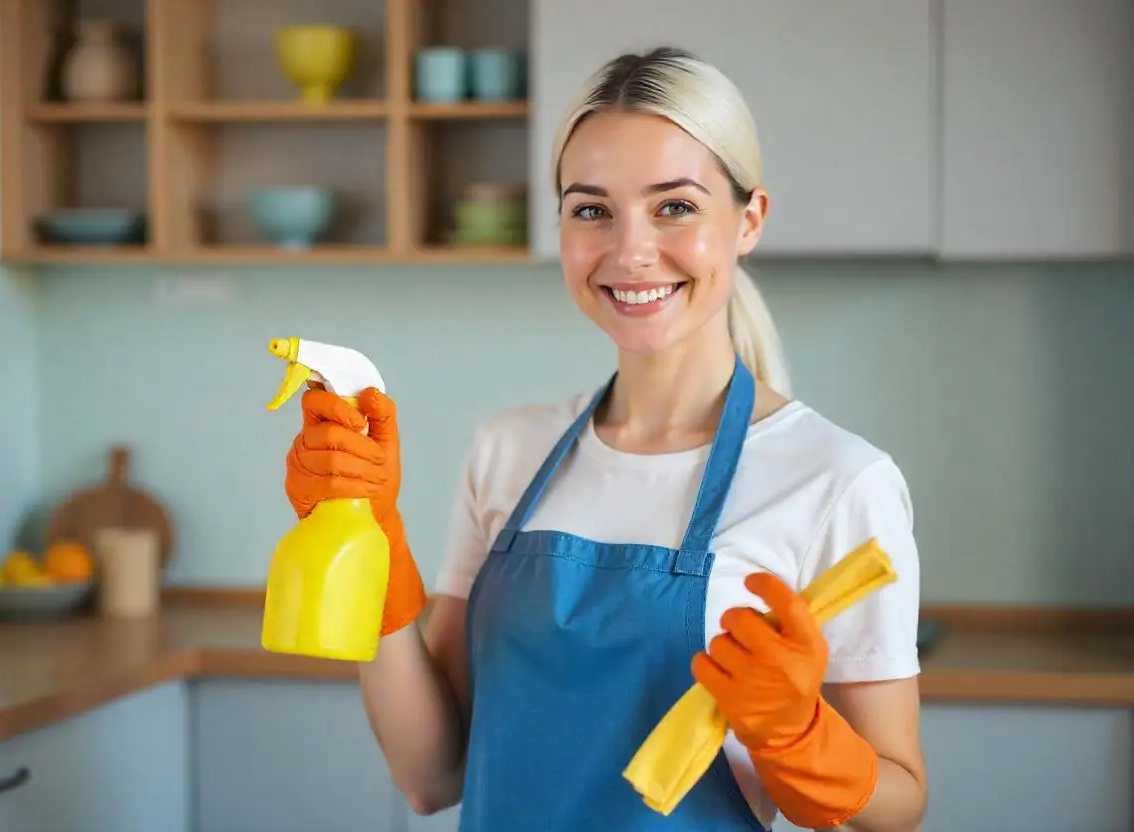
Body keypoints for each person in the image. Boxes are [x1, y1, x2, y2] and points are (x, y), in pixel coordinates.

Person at [284, 46, 927, 831]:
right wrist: (366, 544)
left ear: (749, 218)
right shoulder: (507, 451)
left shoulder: (835, 480)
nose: (630, 252)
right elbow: (430, 774)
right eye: (592, 209)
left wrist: (799, 737)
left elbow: (899, 809)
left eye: (676, 206)